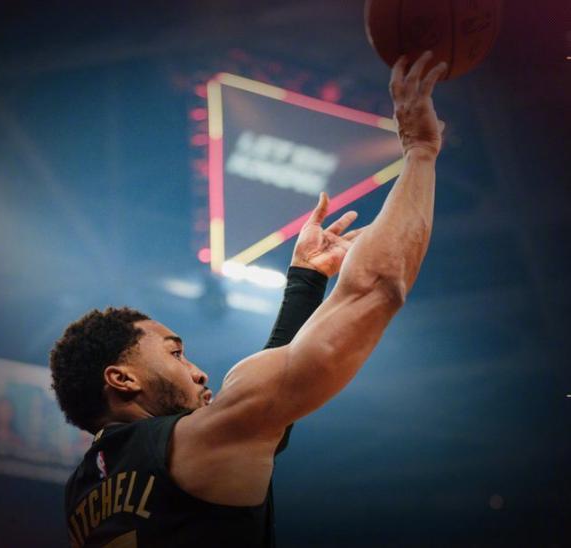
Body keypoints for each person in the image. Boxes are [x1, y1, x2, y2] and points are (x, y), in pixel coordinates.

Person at [51, 51, 446, 547]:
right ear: (123, 378)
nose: (198, 372)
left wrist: (306, 280)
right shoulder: (200, 441)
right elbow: (378, 287)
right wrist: (420, 151)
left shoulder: (81, 494)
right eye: (175, 353)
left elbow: (270, 413)